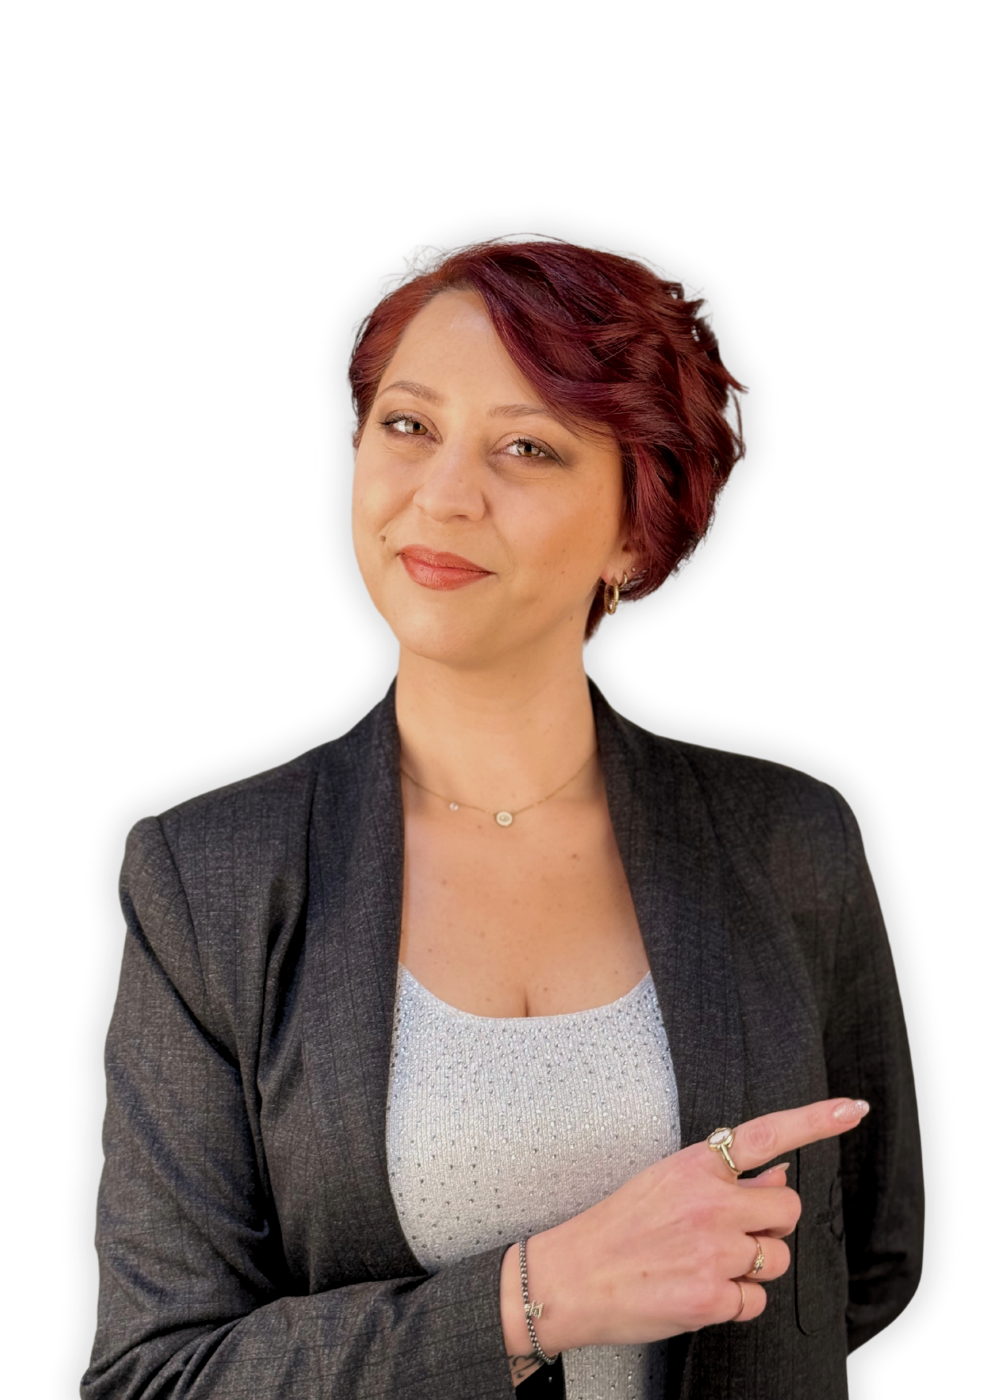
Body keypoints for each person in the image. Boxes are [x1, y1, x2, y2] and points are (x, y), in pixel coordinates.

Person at [80, 235, 925, 1399]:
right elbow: (156, 1375)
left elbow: (862, 1265)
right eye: (408, 425)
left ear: (634, 526)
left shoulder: (786, 837)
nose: (441, 494)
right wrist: (542, 1294)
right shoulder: (208, 877)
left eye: (527, 446)